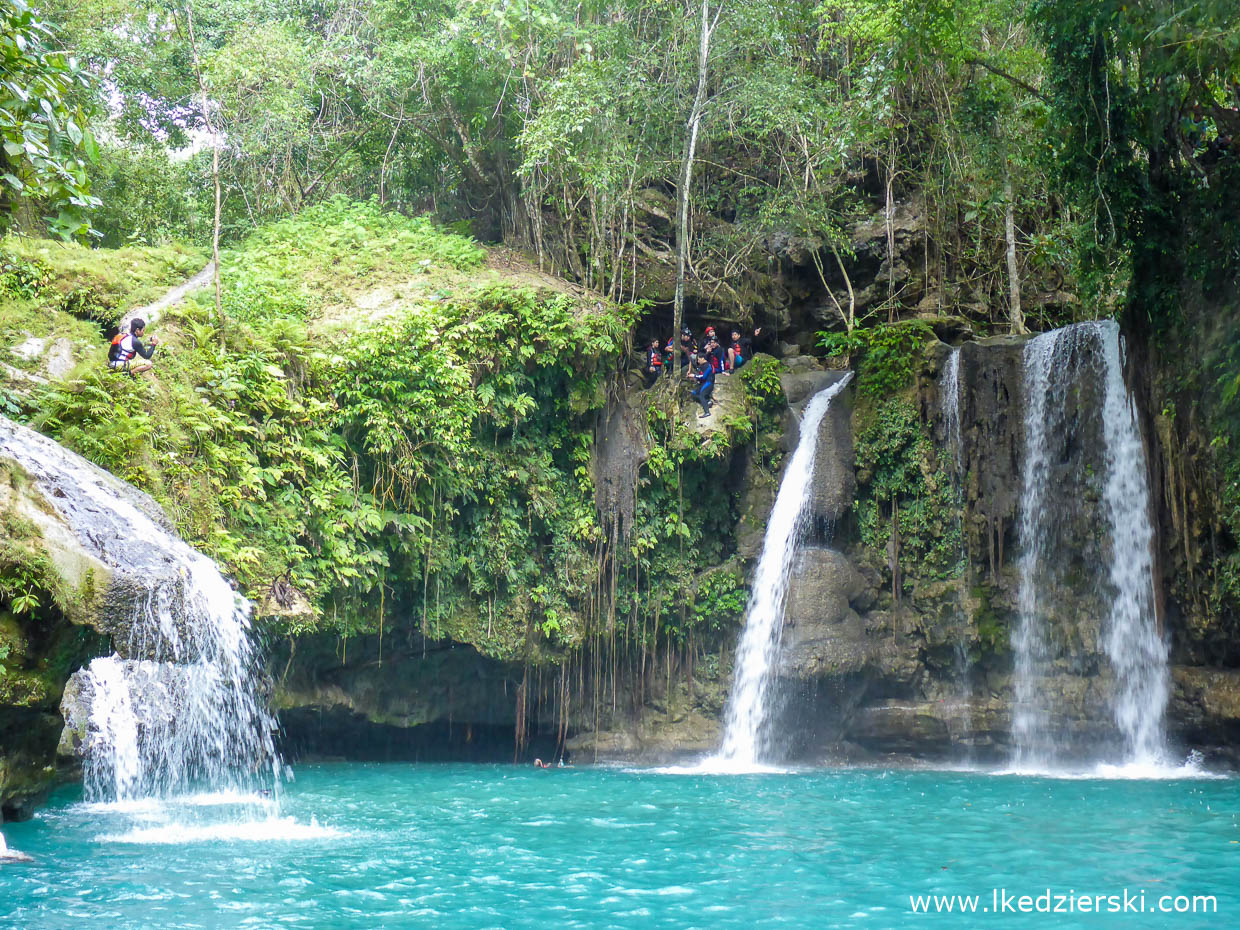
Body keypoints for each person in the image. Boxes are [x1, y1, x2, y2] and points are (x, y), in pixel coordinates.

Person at [689, 354, 715, 418]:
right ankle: (707, 402)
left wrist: (694, 376)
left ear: (703, 358)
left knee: (702, 395)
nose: (698, 361)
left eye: (698, 359)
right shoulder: (702, 366)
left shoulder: (708, 366)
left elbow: (704, 376)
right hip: (704, 384)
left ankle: (707, 412)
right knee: (693, 393)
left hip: (709, 384)